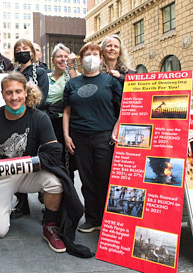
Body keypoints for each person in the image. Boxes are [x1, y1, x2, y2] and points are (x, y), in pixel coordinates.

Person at [0, 72, 66, 253]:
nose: (14, 97)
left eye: (18, 91)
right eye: (9, 92)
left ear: (26, 92)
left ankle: (49, 225)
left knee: (55, 182)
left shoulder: (39, 117)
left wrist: (29, 163)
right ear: (2, 94)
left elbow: (54, 151)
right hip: (2, 175)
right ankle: (2, 208)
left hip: (29, 171)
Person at [63, 42, 122, 233]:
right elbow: (67, 112)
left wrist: (116, 128)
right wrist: (66, 135)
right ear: (80, 60)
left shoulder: (110, 82)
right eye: (87, 54)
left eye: (95, 53)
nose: (91, 57)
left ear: (101, 58)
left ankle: (108, 219)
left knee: (104, 178)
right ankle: (92, 218)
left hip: (104, 136)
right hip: (79, 136)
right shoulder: (72, 84)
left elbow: (122, 109)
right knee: (86, 179)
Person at [11, 39, 50, 218]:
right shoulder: (12, 73)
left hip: (34, 119)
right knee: (19, 159)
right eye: (18, 49)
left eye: (25, 48)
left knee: (38, 157)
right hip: (16, 121)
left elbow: (43, 97)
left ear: (32, 52)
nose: (21, 51)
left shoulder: (40, 72)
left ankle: (43, 190)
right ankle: (22, 202)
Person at [45, 43, 78, 180]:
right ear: (53, 60)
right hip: (47, 123)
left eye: (65, 56)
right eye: (59, 56)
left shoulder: (72, 76)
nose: (62, 59)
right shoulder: (45, 77)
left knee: (66, 162)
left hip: (65, 122)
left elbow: (78, 89)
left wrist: (71, 68)